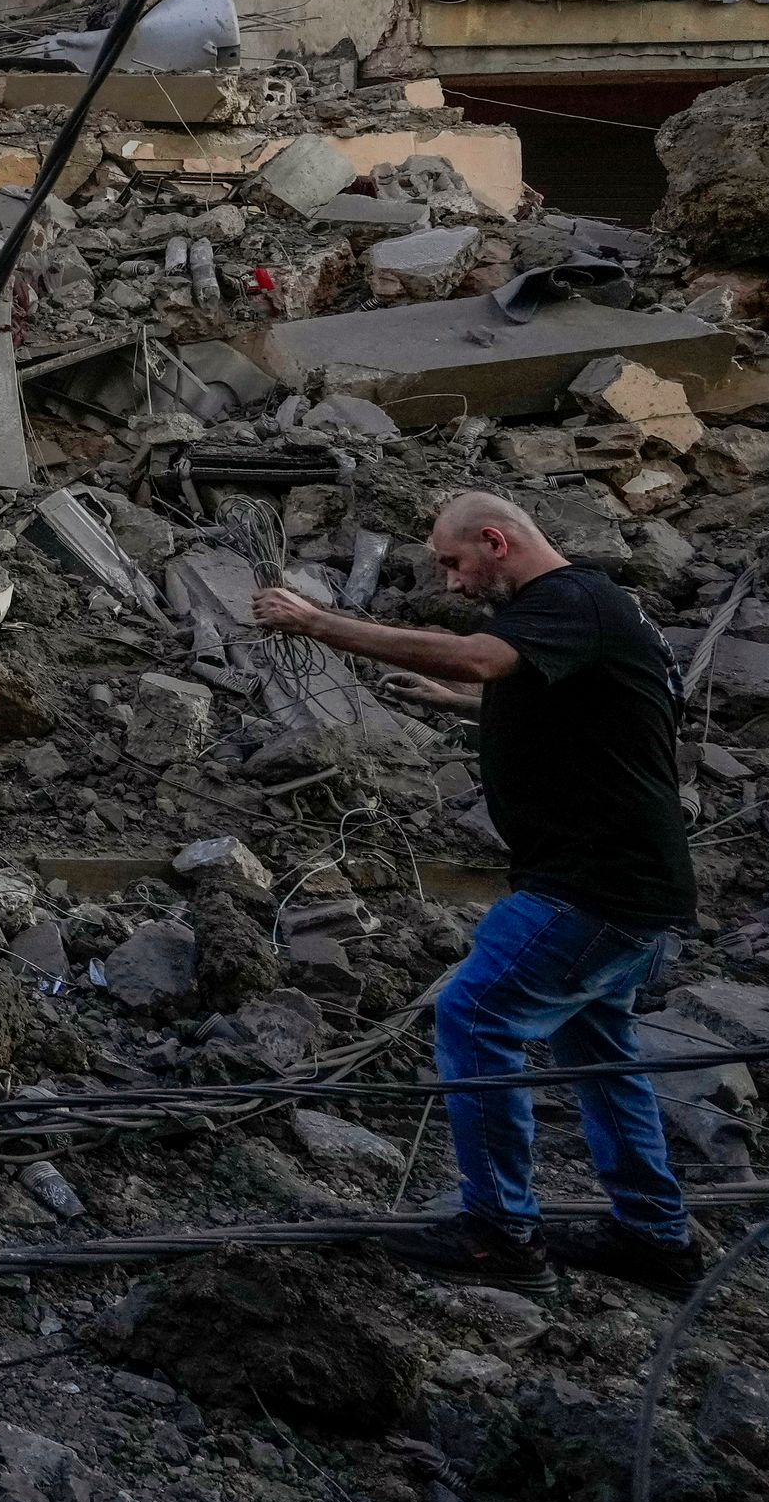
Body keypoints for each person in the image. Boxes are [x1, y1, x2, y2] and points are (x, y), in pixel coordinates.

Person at [252, 489, 702, 1294]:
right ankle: (657, 1238)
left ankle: (500, 1234)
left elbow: (480, 656)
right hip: (637, 891)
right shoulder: (599, 610)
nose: (453, 584)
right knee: (600, 1053)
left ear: (495, 541)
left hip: (590, 888)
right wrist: (469, 702)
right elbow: (583, 701)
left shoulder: (568, 599)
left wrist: (317, 622)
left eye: (456, 564)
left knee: (475, 1016)